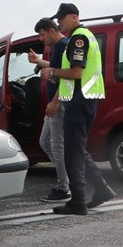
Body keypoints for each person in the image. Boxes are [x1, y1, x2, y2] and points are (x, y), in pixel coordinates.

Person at [39, 3, 114, 215]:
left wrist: (53, 72)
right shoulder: (81, 36)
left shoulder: (78, 38)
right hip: (84, 99)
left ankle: (78, 201)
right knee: (76, 149)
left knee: (72, 151)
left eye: (61, 18)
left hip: (80, 100)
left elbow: (76, 73)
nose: (59, 21)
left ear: (74, 17)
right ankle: (101, 189)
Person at [28, 17, 71, 203]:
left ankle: (64, 188)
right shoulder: (56, 47)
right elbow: (55, 68)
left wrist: (55, 102)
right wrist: (38, 61)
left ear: (51, 31)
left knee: (56, 145)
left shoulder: (63, 45)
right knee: (44, 141)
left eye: (42, 34)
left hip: (58, 104)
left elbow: (67, 77)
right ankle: (68, 178)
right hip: (53, 104)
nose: (41, 38)